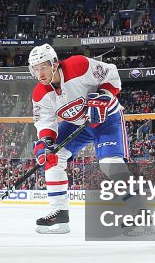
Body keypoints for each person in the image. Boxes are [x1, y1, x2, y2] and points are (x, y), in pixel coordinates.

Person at [28, 43, 130, 234]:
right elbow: (45, 122)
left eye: (43, 67)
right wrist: (46, 143)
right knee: (53, 157)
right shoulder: (40, 93)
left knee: (110, 163)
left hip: (106, 118)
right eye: (36, 69)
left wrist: (104, 95)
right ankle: (59, 214)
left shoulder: (78, 66)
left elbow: (111, 73)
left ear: (54, 64)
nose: (40, 73)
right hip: (78, 124)